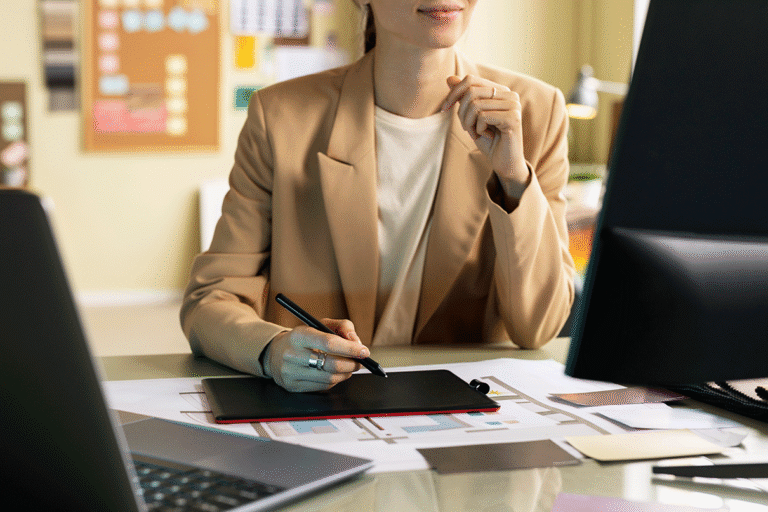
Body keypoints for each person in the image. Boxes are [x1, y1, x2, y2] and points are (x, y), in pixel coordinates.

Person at [181, 0, 575, 392]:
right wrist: (271, 349)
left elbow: (538, 327)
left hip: (464, 415)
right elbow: (209, 302)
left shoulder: (535, 112)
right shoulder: (280, 116)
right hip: (322, 412)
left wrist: (513, 178)